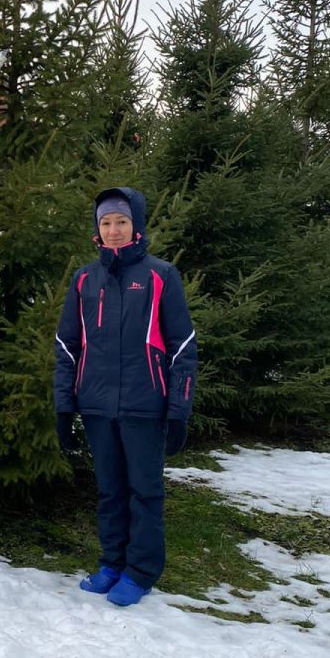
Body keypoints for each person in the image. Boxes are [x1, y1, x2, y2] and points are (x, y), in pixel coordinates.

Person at [54, 188, 197, 607]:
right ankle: (112, 564)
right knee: (110, 490)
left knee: (144, 492)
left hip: (144, 404)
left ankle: (140, 572)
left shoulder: (160, 276)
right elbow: (66, 346)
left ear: (136, 225)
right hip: (97, 405)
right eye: (105, 222)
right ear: (97, 229)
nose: (113, 230)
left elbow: (183, 346)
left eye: (121, 221)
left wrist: (178, 410)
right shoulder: (84, 280)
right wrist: (64, 406)